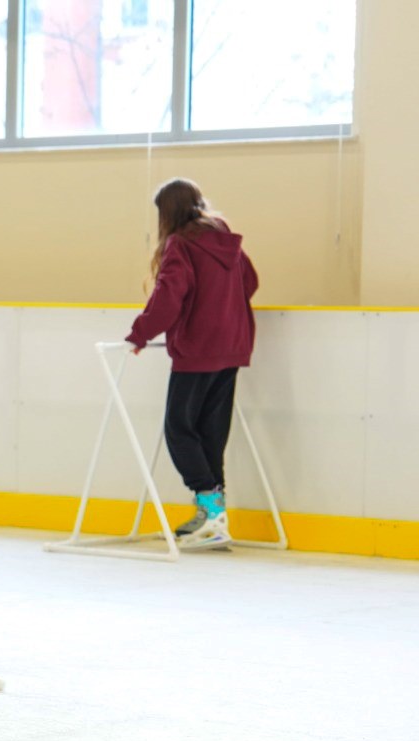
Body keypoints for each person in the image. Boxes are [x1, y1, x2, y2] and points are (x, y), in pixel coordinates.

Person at [126, 178, 259, 550]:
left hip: (198, 349)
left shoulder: (179, 245)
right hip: (232, 346)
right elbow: (250, 281)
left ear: (167, 212)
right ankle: (214, 517)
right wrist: (223, 308)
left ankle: (210, 506)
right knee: (210, 432)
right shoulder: (224, 239)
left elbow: (169, 296)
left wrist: (139, 334)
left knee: (180, 429)